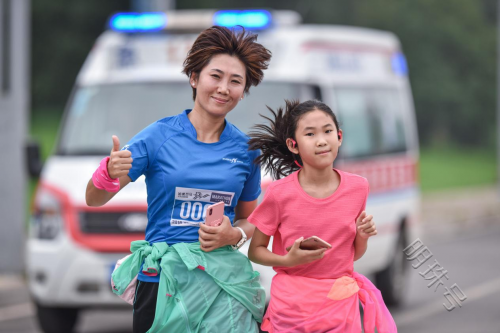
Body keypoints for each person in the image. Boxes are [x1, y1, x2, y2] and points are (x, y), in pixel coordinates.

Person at [86, 26, 272, 333]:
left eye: (235, 81)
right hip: (162, 283)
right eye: (216, 76)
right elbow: (94, 198)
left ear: (243, 91)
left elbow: (251, 220)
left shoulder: (247, 151)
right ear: (195, 78)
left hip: (224, 285)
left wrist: (232, 236)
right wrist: (106, 172)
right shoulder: (158, 136)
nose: (224, 88)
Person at [247, 100, 397, 332]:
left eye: (328, 131)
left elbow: (351, 255)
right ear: (293, 144)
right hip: (291, 308)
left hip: (339, 305)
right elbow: (255, 250)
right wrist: (288, 261)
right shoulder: (278, 193)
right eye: (310, 134)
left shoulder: (358, 188)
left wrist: (362, 236)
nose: (321, 140)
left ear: (339, 137)